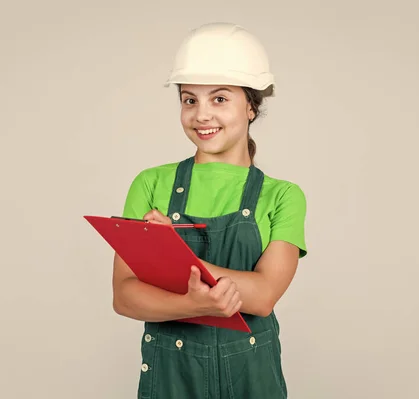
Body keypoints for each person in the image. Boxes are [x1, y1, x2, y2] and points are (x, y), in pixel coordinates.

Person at [112, 22, 308, 399]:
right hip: (171, 380)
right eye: (190, 100)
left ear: (251, 106)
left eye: (219, 99)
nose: (202, 115)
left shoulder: (282, 196)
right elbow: (124, 295)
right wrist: (191, 301)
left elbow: (263, 295)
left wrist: (174, 259)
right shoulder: (150, 184)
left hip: (252, 381)